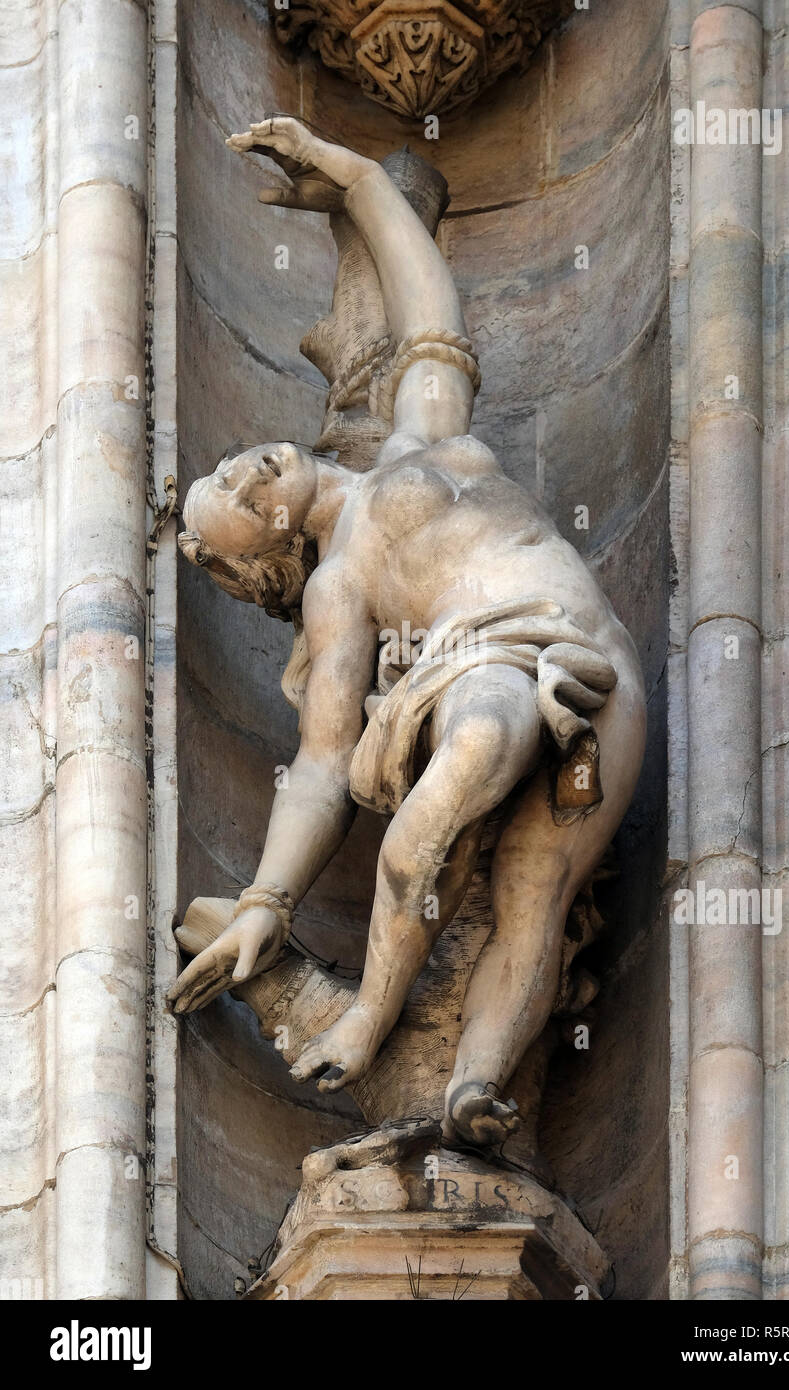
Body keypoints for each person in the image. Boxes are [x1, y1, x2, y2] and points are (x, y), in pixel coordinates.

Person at [168, 118, 646, 1146]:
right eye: (237, 498)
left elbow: (429, 304)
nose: (248, 471)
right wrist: (266, 900)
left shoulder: (420, 430)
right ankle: (461, 1087)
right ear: (273, 548)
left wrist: (346, 177)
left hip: (589, 658)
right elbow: (320, 765)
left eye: (232, 466)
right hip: (481, 667)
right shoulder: (338, 590)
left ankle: (393, 1027)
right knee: (454, 788)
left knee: (536, 891)